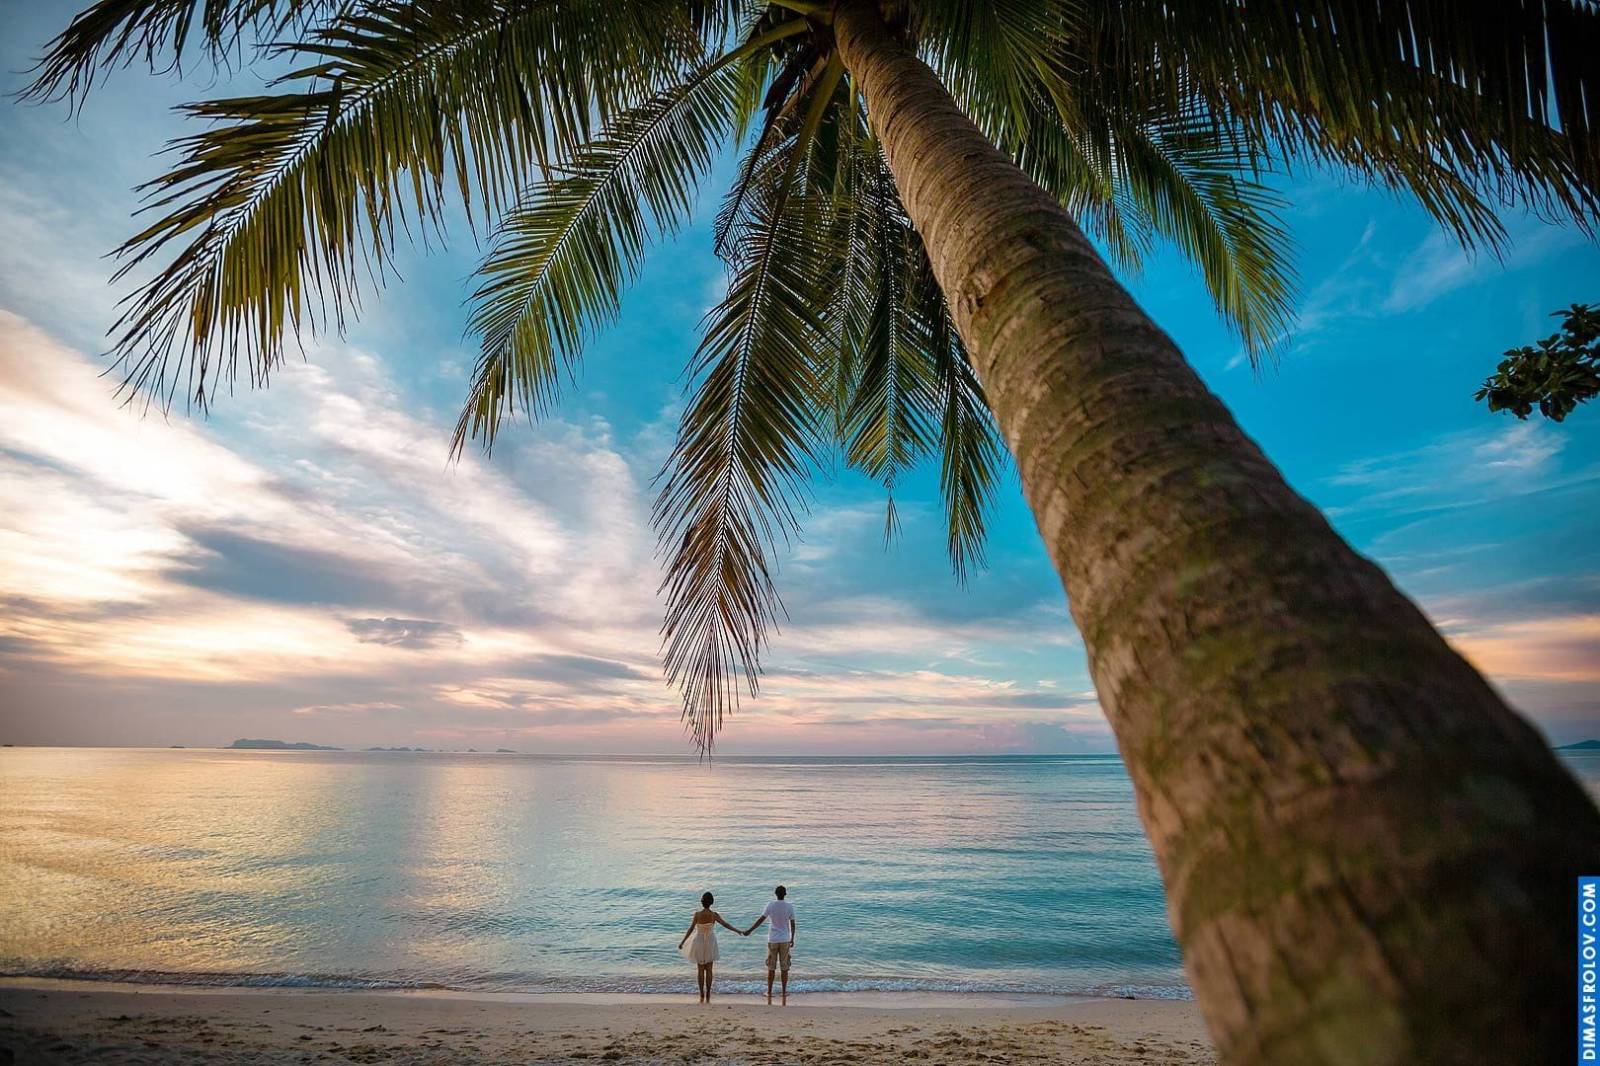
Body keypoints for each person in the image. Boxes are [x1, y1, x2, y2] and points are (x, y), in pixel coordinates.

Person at [678, 891, 746, 1003]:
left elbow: (690, 929)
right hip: (710, 941)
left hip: (699, 941)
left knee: (700, 969)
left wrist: (682, 942)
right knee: (709, 969)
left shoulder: (697, 915)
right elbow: (726, 924)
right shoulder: (714, 915)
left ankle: (701, 993)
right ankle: (708, 993)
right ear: (711, 902)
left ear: (702, 902)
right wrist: (737, 931)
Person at [742, 885, 796, 1004]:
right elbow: (792, 924)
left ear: (775, 894)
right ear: (785, 894)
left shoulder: (770, 905)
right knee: (784, 967)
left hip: (773, 939)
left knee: (771, 967)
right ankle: (783, 992)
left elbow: (761, 920)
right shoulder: (789, 906)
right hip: (785, 939)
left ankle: (769, 992)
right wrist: (792, 938)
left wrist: (750, 930)